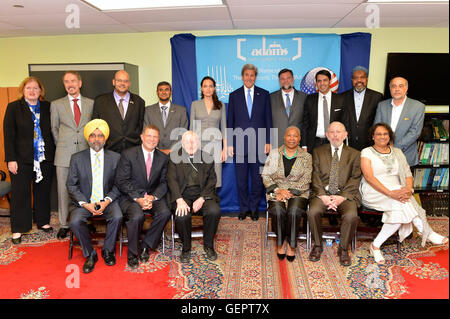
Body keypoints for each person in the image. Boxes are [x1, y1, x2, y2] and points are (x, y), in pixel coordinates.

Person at [360, 123, 448, 264]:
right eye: (378, 134)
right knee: (402, 203)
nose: (382, 137)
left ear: (389, 136)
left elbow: (407, 174)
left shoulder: (398, 152)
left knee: (399, 209)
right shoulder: (366, 152)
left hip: (397, 190)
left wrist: (408, 189)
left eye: (385, 134)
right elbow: (369, 177)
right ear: (372, 137)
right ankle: (426, 231)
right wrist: (390, 193)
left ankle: (375, 246)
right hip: (374, 190)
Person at [3, 76, 55, 244]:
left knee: (43, 192)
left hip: (44, 158)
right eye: (28, 88)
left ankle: (43, 222)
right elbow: (8, 135)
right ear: (23, 90)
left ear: (41, 91)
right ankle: (19, 228)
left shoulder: (47, 107)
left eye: (35, 88)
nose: (32, 91)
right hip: (21, 159)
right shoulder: (14, 108)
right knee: (20, 194)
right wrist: (10, 159)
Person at [66, 119, 123, 274]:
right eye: (93, 135)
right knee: (75, 221)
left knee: (117, 216)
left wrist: (106, 201)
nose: (96, 139)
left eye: (100, 135)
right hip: (85, 202)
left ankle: (107, 250)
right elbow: (71, 185)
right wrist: (86, 204)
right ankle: (90, 254)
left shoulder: (115, 158)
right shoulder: (77, 158)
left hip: (108, 202)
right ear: (87, 138)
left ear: (105, 139)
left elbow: (119, 184)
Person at [115, 124, 171, 269]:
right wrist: (138, 199)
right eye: (149, 136)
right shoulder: (128, 154)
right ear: (142, 137)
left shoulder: (163, 158)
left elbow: (165, 182)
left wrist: (152, 197)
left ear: (158, 140)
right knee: (137, 216)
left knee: (165, 213)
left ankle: (146, 245)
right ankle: (133, 253)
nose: (152, 139)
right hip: (131, 197)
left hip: (153, 196)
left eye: (155, 137)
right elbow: (122, 181)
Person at [307, 121, 361, 267]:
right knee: (313, 212)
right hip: (322, 193)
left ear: (345, 135)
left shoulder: (355, 154)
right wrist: (322, 195)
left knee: (351, 215)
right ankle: (317, 246)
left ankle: (343, 250)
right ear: (327, 135)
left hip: (345, 195)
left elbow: (355, 177)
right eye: (332, 132)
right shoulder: (318, 151)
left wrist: (342, 196)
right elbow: (314, 175)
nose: (335, 135)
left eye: (339, 132)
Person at [50, 71, 94, 239]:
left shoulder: (91, 103)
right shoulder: (56, 105)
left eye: (73, 81)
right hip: (64, 154)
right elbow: (54, 129)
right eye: (67, 82)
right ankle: (63, 224)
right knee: (63, 190)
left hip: (85, 154)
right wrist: (63, 145)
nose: (70, 84)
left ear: (80, 83)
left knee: (86, 189)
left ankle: (86, 221)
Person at [167, 131, 221, 263]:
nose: (191, 145)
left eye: (194, 142)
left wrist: (202, 198)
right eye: (187, 142)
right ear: (182, 143)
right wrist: (179, 200)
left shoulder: (207, 157)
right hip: (182, 195)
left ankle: (208, 246)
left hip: (202, 194)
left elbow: (212, 181)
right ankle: (186, 248)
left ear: (199, 143)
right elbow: (171, 180)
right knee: (181, 215)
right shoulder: (174, 156)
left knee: (214, 211)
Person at [227, 64, 272, 221]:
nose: (249, 78)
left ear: (255, 77)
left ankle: (253, 209)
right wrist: (230, 143)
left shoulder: (264, 94)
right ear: (242, 76)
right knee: (241, 181)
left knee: (258, 180)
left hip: (259, 145)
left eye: (252, 75)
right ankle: (243, 209)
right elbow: (230, 121)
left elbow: (268, 119)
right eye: (246, 75)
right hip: (239, 145)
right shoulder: (234, 95)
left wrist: (268, 141)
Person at [262, 126, 312, 262]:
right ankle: (280, 243)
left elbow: (307, 179)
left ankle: (291, 244)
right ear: (284, 137)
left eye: (295, 136)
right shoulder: (274, 154)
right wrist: (278, 190)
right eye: (289, 135)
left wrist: (288, 192)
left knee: (294, 211)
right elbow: (266, 175)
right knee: (277, 211)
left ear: (300, 139)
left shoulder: (306, 157)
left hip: (298, 192)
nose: (292, 138)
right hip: (276, 191)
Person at [374, 77, 425, 166]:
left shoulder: (418, 107)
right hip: (382, 156)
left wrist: (394, 148)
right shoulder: (382, 105)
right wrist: (384, 146)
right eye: (394, 86)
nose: (397, 89)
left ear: (406, 88)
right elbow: (376, 128)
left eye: (400, 86)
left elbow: (415, 132)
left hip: (406, 156)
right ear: (390, 89)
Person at [92, 70, 145, 153]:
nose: (122, 83)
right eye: (119, 80)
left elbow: (141, 126)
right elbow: (95, 126)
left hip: (133, 150)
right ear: (113, 82)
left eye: (125, 81)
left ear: (129, 83)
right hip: (108, 150)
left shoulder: (139, 102)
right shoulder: (100, 101)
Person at [190, 76, 227, 188]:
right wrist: (191, 147)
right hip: (199, 146)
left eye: (211, 86)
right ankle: (200, 203)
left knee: (215, 177)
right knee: (199, 177)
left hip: (215, 146)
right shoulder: (195, 104)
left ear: (214, 88)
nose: (208, 89)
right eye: (205, 86)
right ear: (201, 88)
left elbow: (224, 128)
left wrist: (224, 149)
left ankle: (212, 202)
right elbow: (192, 128)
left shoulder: (220, 105)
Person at [341, 66, 383, 151]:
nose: (359, 80)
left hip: (369, 143)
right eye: (356, 78)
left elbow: (379, 120)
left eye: (362, 77)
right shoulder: (342, 97)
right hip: (347, 143)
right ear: (352, 80)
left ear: (367, 79)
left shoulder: (377, 97)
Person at [301, 69, 344, 153]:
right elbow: (305, 124)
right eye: (319, 81)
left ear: (330, 81)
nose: (322, 83)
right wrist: (304, 145)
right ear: (316, 83)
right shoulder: (310, 99)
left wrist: (342, 143)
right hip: (313, 143)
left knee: (333, 166)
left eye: (325, 80)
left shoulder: (340, 99)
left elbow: (344, 122)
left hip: (334, 142)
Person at [144, 81, 188, 155]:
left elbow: (183, 133)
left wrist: (171, 150)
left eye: (166, 89)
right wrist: (156, 149)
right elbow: (146, 132)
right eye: (161, 90)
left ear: (170, 92)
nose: (163, 92)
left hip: (175, 153)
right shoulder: (148, 110)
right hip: (154, 152)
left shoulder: (181, 110)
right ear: (157, 92)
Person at [270, 69, 307, 149]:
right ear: (279, 81)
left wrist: (304, 144)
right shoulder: (270, 98)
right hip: (276, 144)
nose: (285, 81)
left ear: (293, 79)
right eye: (282, 79)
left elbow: (306, 122)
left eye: (288, 78)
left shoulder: (304, 97)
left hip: (297, 144)